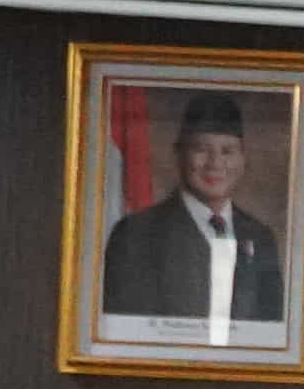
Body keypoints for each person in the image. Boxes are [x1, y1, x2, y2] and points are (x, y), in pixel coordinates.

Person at [96, 92, 291, 333]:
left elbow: (272, 333)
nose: (215, 163)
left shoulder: (260, 237)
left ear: (243, 159)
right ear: (178, 153)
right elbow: (124, 332)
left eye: (227, 151)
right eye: (201, 149)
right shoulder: (136, 234)